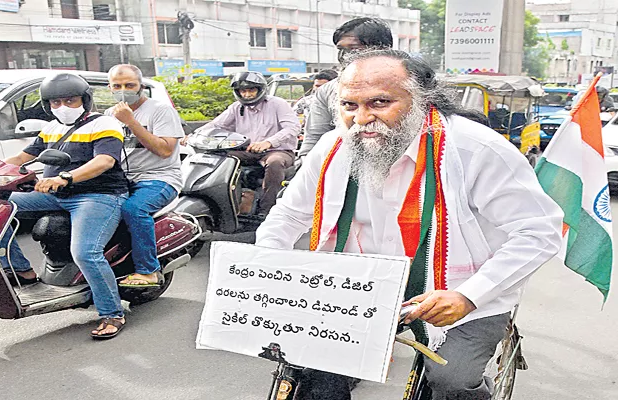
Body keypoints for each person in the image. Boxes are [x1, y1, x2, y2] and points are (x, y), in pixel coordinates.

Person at [255, 49, 564, 399]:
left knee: (452, 380)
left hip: (458, 288)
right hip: (357, 288)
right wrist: (269, 269)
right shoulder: (332, 147)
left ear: (422, 99)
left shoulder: (475, 150)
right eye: (349, 106)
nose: (361, 119)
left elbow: (539, 231)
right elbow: (288, 216)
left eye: (380, 102)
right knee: (309, 370)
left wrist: (469, 295)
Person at [0, 73, 130, 339]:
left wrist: (64, 177)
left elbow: (104, 161)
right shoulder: (52, 128)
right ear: (48, 105)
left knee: (85, 252)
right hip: (56, 194)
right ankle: (22, 270)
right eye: (56, 102)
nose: (63, 107)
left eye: (71, 100)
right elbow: (20, 158)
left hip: (98, 196)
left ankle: (112, 313)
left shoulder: (105, 124)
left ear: (85, 100)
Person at [104, 64, 184, 288]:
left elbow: (164, 150)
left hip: (160, 178)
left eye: (130, 85)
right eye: (117, 86)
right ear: (109, 88)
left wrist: (131, 122)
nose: (123, 90)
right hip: (122, 178)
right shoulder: (108, 115)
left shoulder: (160, 110)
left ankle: (148, 270)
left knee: (134, 209)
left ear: (141, 86)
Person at [182, 71, 300, 216]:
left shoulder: (277, 104)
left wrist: (268, 142)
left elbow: (293, 127)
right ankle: (229, 206)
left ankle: (267, 211)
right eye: (243, 91)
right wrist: (193, 136)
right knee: (217, 158)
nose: (247, 94)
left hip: (278, 151)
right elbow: (216, 125)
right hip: (248, 151)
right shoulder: (236, 107)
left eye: (251, 90)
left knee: (274, 162)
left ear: (260, 89)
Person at [298, 17, 394, 158]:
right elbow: (314, 139)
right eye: (341, 50)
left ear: (383, 50)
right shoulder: (328, 91)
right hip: (344, 168)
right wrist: (306, 165)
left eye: (354, 49)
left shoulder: (408, 85)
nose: (345, 57)